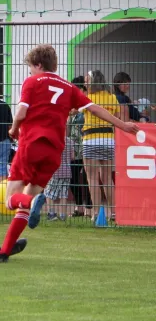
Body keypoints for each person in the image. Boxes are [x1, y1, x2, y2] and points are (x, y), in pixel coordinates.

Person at [0, 44, 139, 263]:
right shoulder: (69, 87)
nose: (30, 72)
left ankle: (32, 204)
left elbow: (22, 111)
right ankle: (4, 252)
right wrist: (123, 125)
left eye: (30, 68)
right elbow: (95, 109)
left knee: (11, 200)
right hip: (54, 150)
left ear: (38, 65)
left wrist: (14, 129)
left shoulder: (32, 82)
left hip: (31, 144)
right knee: (25, 202)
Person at [82, 70, 120, 222]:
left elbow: (72, 112)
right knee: (107, 179)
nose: (85, 83)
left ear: (91, 82)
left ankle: (96, 213)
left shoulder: (87, 98)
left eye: (86, 80)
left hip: (90, 138)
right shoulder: (112, 98)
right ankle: (114, 212)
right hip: (108, 139)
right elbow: (117, 118)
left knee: (92, 178)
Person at [68, 76, 93, 218]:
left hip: (86, 145)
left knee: (89, 176)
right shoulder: (72, 105)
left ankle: (89, 208)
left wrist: (78, 111)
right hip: (73, 148)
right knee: (73, 177)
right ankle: (79, 207)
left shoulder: (87, 103)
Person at [45, 136, 74, 222]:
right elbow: (73, 157)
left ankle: (51, 214)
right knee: (63, 194)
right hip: (67, 171)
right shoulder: (70, 141)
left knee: (48, 192)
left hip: (56, 170)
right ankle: (63, 215)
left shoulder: (53, 140)